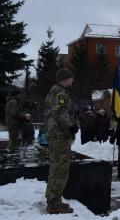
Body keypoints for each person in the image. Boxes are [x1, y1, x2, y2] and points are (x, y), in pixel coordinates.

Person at [44, 68, 78, 214]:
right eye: (71, 78)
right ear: (65, 78)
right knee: (61, 169)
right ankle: (54, 204)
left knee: (55, 167)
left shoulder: (52, 92)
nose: (72, 80)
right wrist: (71, 127)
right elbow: (61, 112)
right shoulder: (61, 93)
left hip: (53, 135)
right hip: (60, 136)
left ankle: (51, 197)